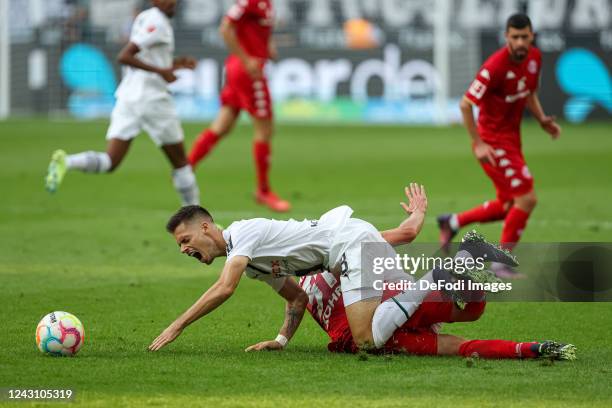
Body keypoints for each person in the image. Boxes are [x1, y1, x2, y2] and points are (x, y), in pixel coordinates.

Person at [148, 184, 517, 353]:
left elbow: (224, 288)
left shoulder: (244, 233)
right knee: (433, 316)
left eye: (185, 240)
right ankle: (469, 263)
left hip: (351, 249)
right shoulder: (255, 264)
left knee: (367, 340)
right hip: (354, 242)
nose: (184, 249)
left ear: (207, 228)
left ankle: (454, 264)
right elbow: (296, 299)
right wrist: (280, 341)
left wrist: (177, 325)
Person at [437, 13, 561, 277]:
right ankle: (500, 263)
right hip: (493, 142)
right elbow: (465, 104)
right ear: (506, 37)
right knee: (526, 199)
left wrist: (542, 120)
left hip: (512, 140)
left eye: (524, 37)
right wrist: (478, 144)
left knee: (508, 206)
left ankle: (452, 221)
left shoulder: (534, 59)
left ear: (532, 36)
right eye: (514, 37)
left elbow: (529, 93)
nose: (519, 42)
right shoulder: (494, 67)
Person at [45, 0, 200, 206]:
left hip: (128, 97)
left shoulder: (145, 18)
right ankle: (198, 222)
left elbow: (147, 59)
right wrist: (162, 72)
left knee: (111, 161)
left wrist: (175, 64)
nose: (173, 2)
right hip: (152, 99)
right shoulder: (158, 22)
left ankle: (67, 161)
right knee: (181, 164)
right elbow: (125, 56)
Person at [187, 0, 290, 212]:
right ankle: (263, 190)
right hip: (248, 71)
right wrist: (247, 59)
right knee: (265, 129)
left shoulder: (266, 4)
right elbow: (225, 28)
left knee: (223, 124)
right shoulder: (250, 2)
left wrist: (267, 46)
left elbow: (256, 31)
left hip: (239, 69)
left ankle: (186, 168)